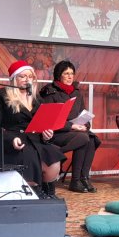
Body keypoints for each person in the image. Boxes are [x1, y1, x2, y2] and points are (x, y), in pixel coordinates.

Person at [0, 60, 65, 198]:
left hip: (35, 139)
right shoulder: (1, 95)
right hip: (11, 142)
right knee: (29, 155)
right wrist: (10, 139)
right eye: (23, 76)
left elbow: (43, 124)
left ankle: (47, 190)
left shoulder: (37, 98)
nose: (28, 80)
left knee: (53, 154)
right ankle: (33, 193)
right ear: (14, 78)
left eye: (30, 76)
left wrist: (46, 134)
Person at [38, 60, 102, 193]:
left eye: (72, 73)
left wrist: (85, 124)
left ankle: (83, 178)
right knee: (83, 138)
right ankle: (72, 176)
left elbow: (83, 113)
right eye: (66, 73)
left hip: (75, 132)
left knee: (90, 139)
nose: (69, 76)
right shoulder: (50, 92)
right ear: (58, 75)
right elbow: (49, 120)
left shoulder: (76, 93)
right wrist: (72, 126)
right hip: (56, 133)